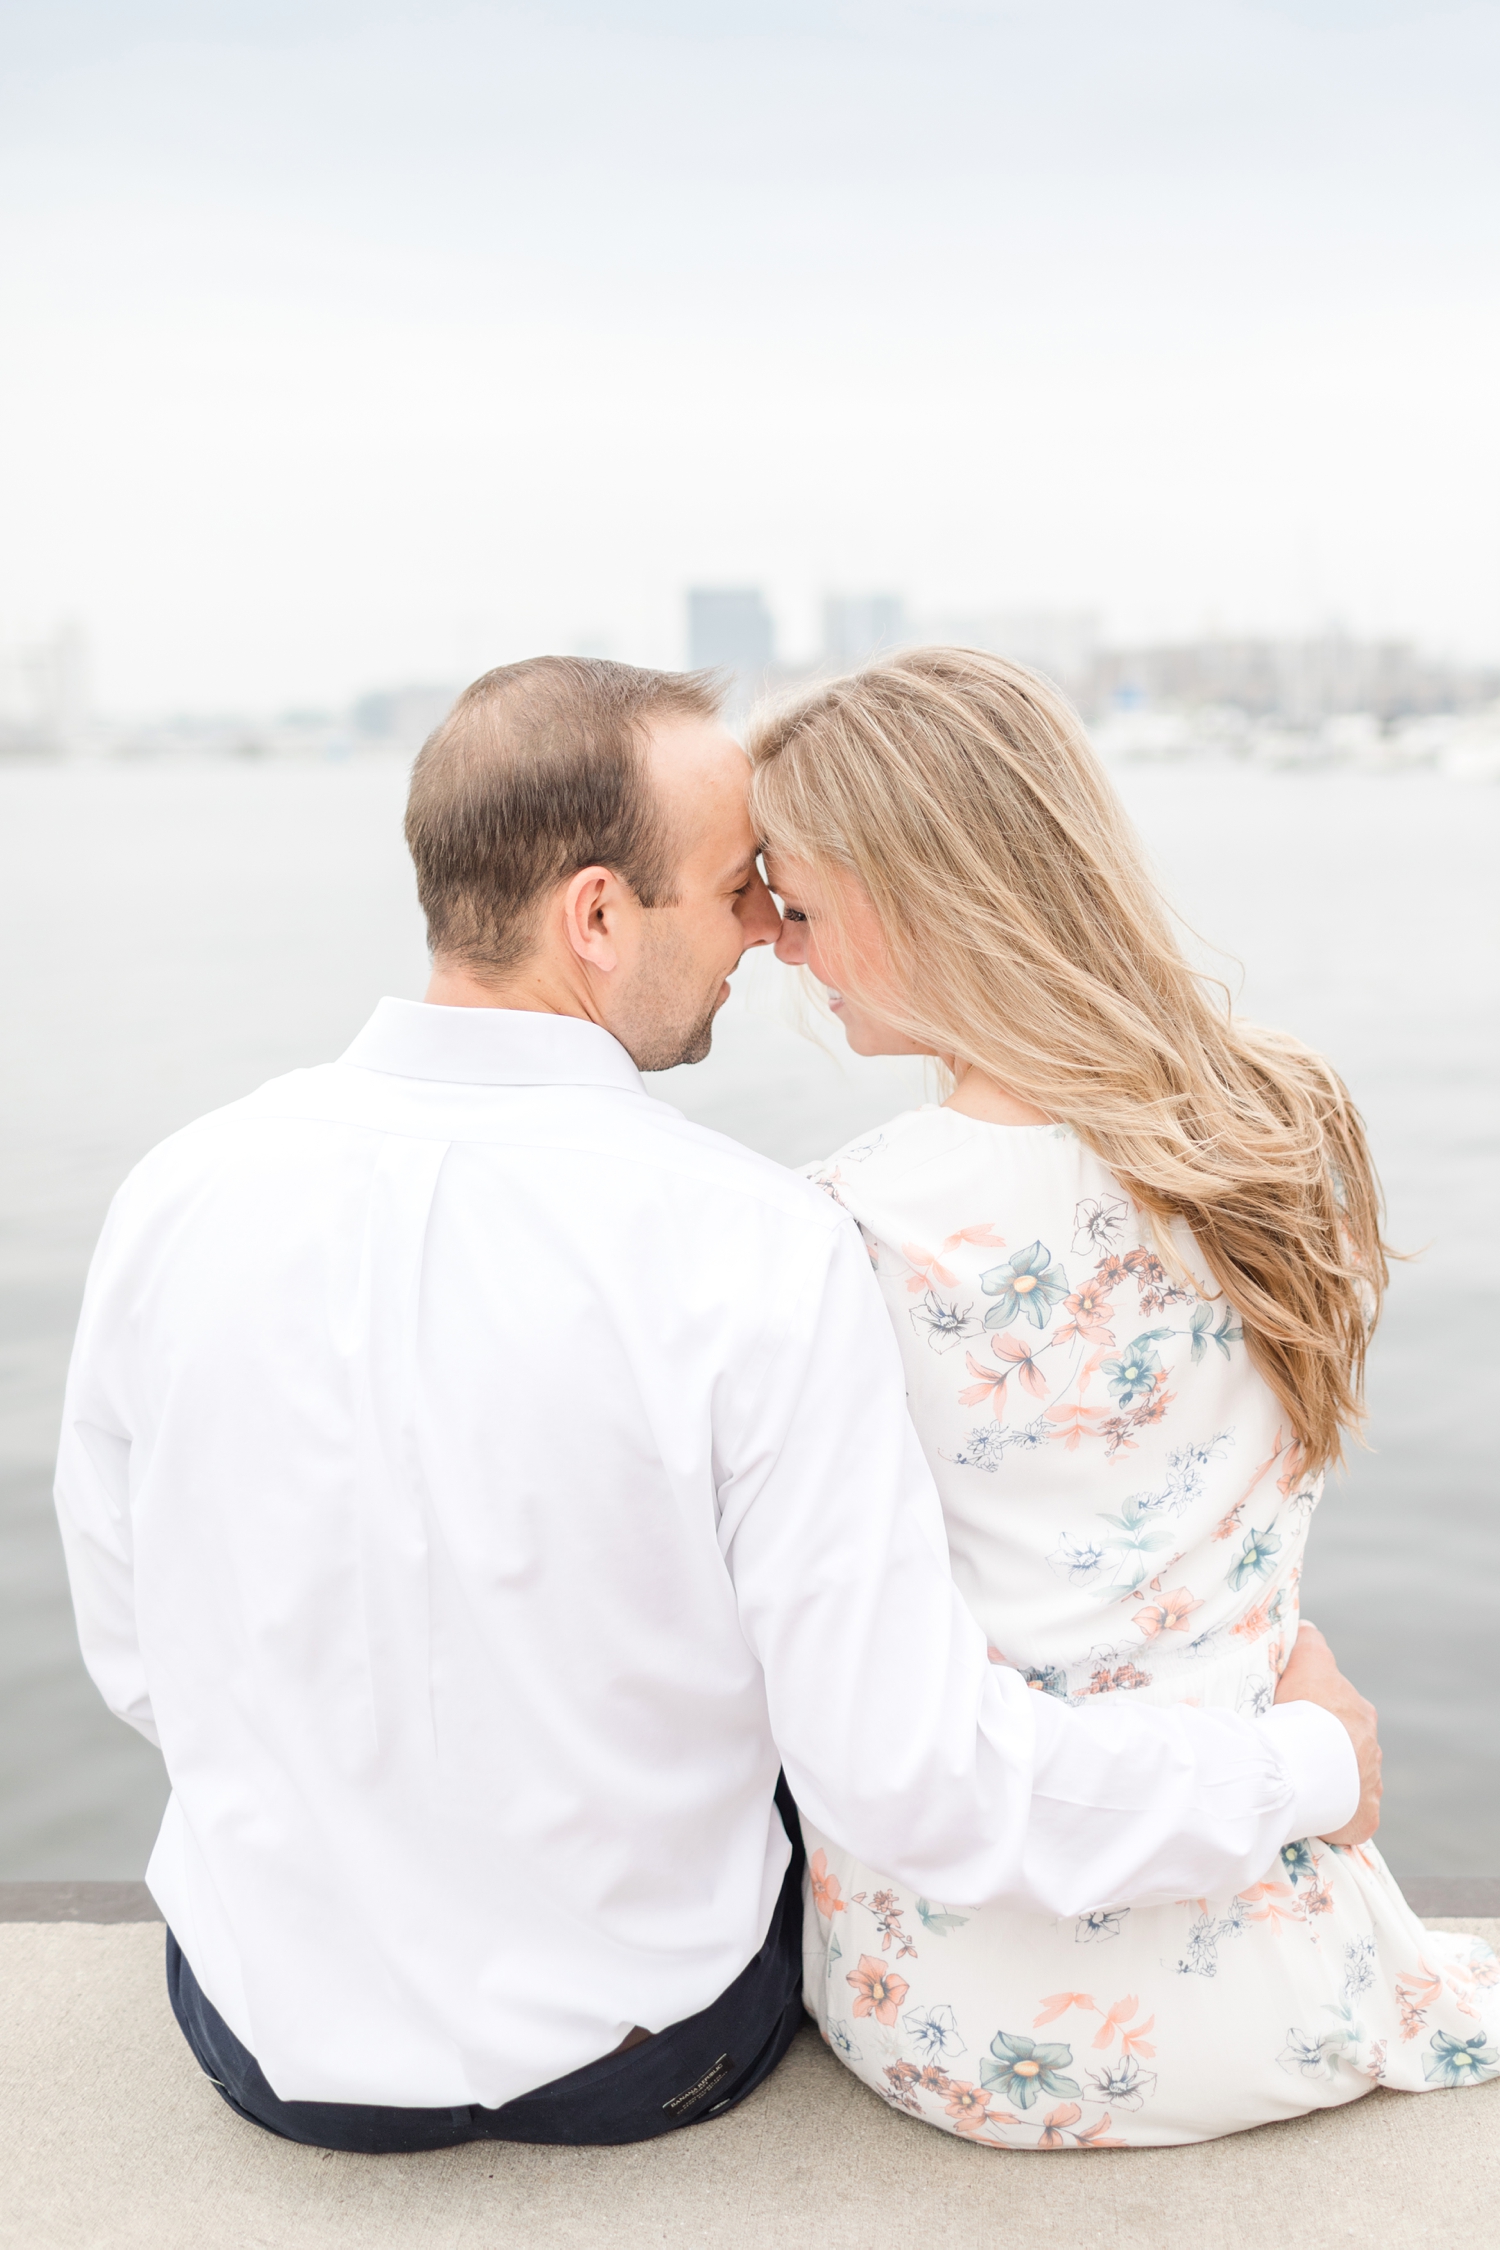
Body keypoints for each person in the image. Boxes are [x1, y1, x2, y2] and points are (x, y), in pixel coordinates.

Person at [55, 656, 1375, 2157]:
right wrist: (1308, 1760)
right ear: (600, 917)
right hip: (634, 2050)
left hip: (260, 2032)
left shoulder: (175, 1190)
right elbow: (903, 1773)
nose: (766, 923)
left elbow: (139, 1652)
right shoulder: (752, 1239)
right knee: (824, 1679)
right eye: (735, 885)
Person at [751, 646, 1498, 2148]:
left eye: (799, 903)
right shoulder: (1289, 1124)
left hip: (974, 2027)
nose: (779, 947)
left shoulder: (841, 1225)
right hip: (1296, 1979)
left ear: (908, 896)